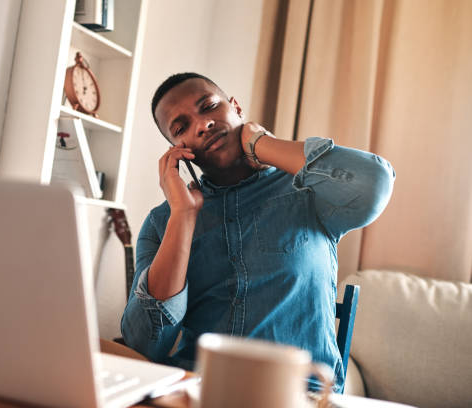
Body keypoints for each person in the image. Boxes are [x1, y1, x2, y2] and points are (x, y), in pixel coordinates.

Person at [120, 72, 395, 393]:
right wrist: (182, 216)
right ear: (177, 149)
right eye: (181, 128)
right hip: (198, 391)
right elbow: (143, 344)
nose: (202, 125)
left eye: (209, 107)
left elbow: (372, 183)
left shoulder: (311, 192)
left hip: (294, 394)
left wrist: (261, 143)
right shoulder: (160, 222)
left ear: (236, 107)